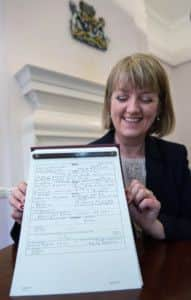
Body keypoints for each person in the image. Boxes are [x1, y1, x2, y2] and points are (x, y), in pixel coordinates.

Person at [10, 53, 191, 243]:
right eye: (122, 97)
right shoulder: (81, 159)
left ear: (160, 107)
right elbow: (32, 238)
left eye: (146, 99)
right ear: (109, 103)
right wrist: (26, 215)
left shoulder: (175, 156)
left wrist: (154, 226)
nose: (133, 109)